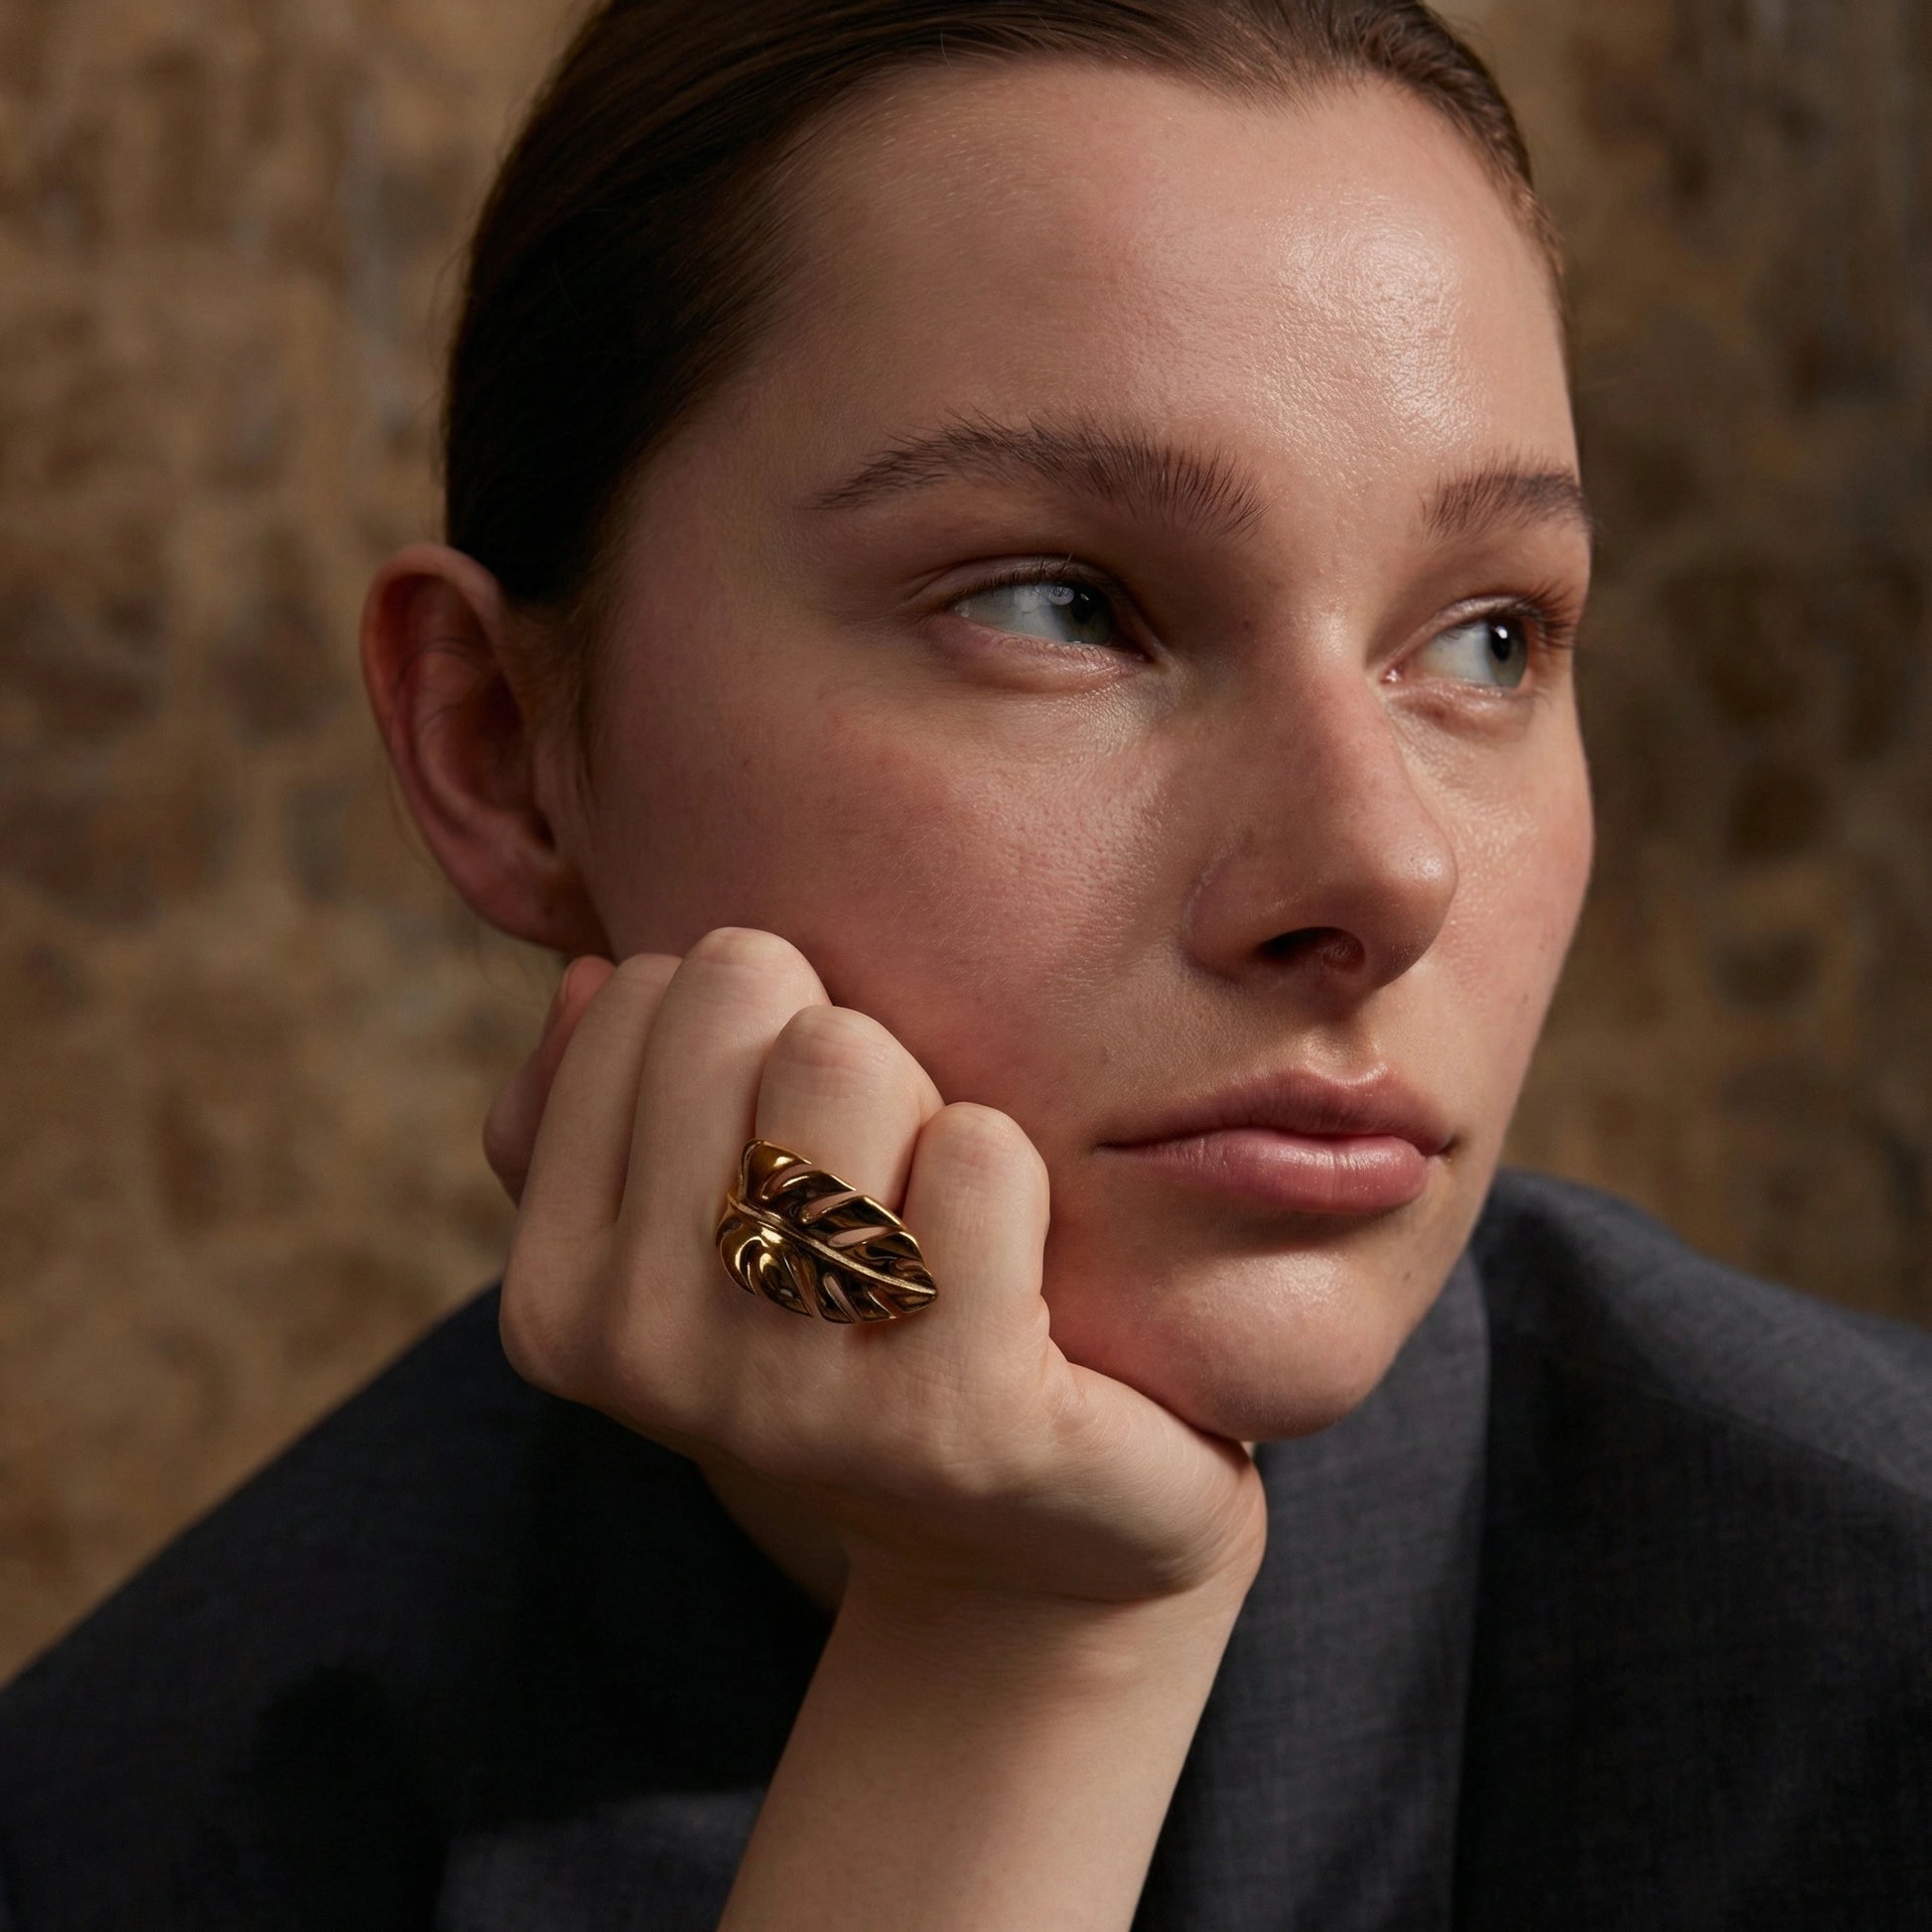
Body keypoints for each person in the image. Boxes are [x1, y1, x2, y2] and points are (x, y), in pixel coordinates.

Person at [3, 1, 1929, 1926]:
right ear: (501, 748)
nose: (1382, 868)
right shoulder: (139, 1838)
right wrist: (1014, 1634)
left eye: (1490, 637)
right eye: (1059, 606)